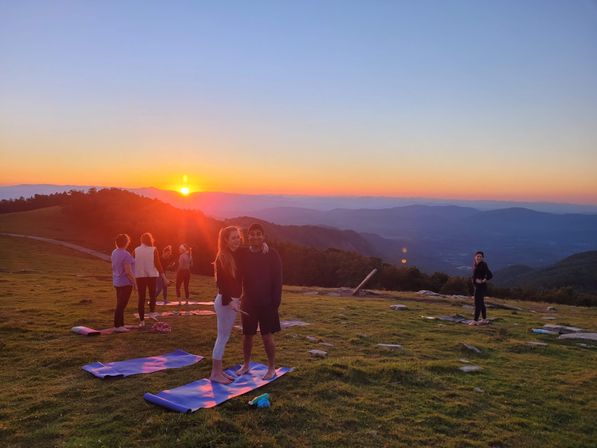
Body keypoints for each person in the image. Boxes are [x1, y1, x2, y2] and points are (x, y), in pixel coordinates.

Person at [236, 223, 282, 380]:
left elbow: (277, 279)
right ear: (248, 236)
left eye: (258, 234)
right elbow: (227, 248)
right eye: (252, 234)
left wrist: (275, 302)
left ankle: (271, 368)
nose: (255, 237)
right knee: (247, 335)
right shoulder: (242, 254)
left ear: (263, 236)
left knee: (266, 335)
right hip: (248, 301)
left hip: (267, 302)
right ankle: (246, 364)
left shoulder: (272, 254)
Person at [134, 232, 167, 327]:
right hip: (152, 276)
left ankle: (142, 321)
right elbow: (158, 265)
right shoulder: (153, 249)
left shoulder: (136, 250)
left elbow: (131, 261)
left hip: (140, 276)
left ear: (141, 240)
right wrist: (164, 278)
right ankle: (152, 313)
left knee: (141, 298)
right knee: (152, 296)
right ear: (150, 240)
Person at [111, 234, 136, 332]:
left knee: (120, 304)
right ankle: (117, 326)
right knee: (121, 305)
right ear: (126, 242)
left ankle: (121, 325)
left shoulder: (114, 252)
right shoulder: (126, 254)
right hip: (125, 283)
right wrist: (135, 283)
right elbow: (128, 271)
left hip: (117, 282)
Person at [470, 251, 493, 325]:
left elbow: (490, 275)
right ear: (475, 257)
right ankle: (484, 319)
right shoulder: (476, 264)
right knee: (481, 303)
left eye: (480, 256)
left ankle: (475, 321)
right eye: (477, 256)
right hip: (477, 286)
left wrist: (483, 280)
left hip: (481, 287)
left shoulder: (483, 264)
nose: (478, 257)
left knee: (477, 303)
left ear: (482, 258)